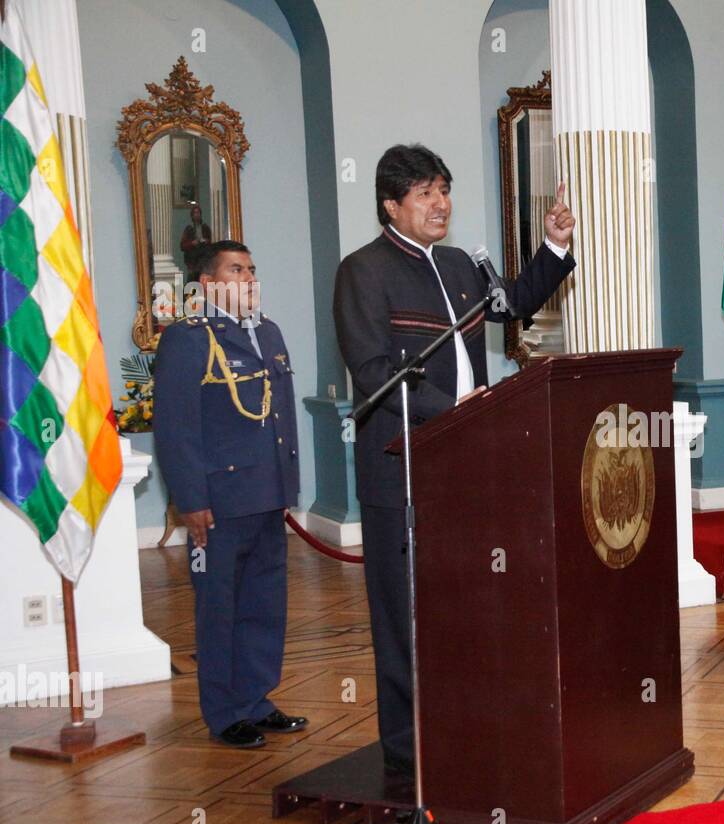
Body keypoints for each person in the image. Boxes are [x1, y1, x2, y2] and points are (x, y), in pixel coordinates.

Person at [333, 144, 576, 773]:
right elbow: (374, 373)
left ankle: (464, 727)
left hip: (467, 462)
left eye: (444, 189)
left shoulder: (460, 265)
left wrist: (551, 247)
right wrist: (458, 413)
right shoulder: (363, 270)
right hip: (402, 468)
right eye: (425, 193)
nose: (441, 203)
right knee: (403, 618)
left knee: (465, 605)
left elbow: (513, 305)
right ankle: (409, 754)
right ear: (392, 205)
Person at [153, 240, 306, 749]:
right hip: (219, 500)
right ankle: (224, 713)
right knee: (219, 607)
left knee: (264, 603)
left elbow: (280, 415)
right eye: (236, 270)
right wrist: (190, 499)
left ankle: (256, 699)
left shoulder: (269, 331)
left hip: (266, 492)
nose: (249, 278)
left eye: (252, 269)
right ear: (209, 283)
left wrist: (288, 484)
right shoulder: (188, 338)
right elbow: (176, 428)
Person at [180, 203, 212, 283]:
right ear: (192, 215)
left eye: (198, 213)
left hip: (203, 260)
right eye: (195, 213)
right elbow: (182, 246)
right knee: (192, 282)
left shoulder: (205, 228)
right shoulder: (189, 229)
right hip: (192, 261)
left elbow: (210, 243)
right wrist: (192, 243)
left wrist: (206, 241)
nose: (197, 215)